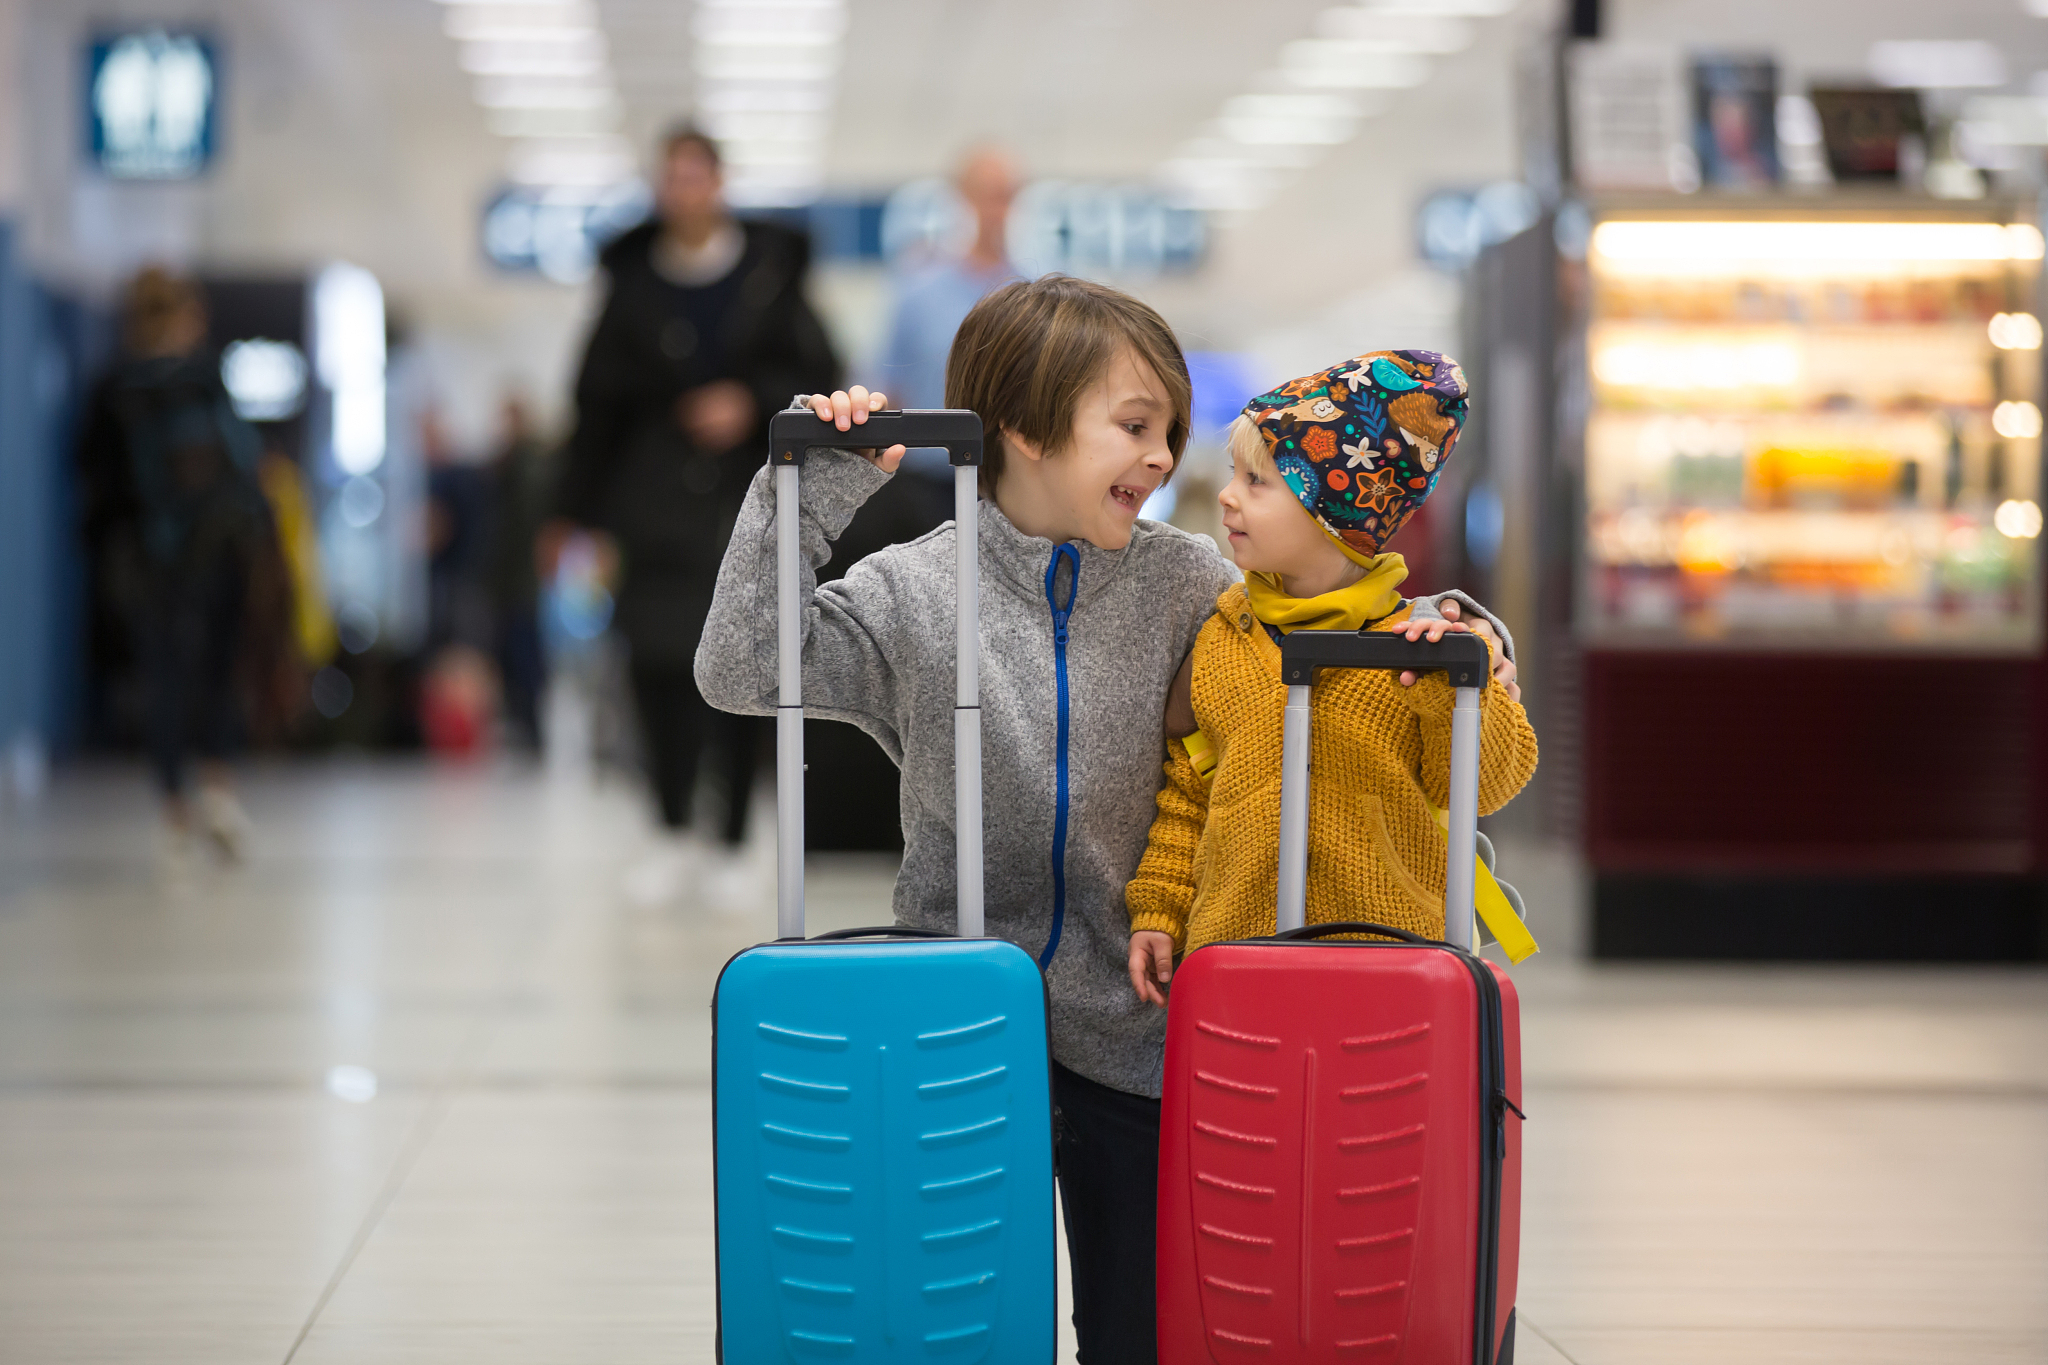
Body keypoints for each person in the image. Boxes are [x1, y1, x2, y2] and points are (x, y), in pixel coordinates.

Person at [695, 281, 1520, 1362]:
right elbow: (743, 665)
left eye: (1170, 432)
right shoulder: (912, 591)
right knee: (952, 1318)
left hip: (1144, 1030)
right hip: (957, 1012)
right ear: (1026, 430)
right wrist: (812, 490)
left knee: (1140, 1326)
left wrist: (1459, 631)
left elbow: (1327, 613)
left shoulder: (1196, 587)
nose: (1163, 458)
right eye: (1133, 427)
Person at [1125, 351, 1538, 1003]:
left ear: (1336, 517)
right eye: (1235, 474)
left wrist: (1460, 687)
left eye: (1258, 481)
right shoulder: (1224, 637)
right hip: (1236, 963)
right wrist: (1159, 909)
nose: (1228, 495)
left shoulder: (1418, 649)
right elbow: (1190, 796)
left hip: (1389, 968)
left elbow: (1486, 784)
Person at [551, 126, 840, 906]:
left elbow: (820, 370)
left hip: (748, 495)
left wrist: (749, 403)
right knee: (657, 665)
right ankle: (670, 828)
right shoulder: (630, 280)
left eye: (696, 176)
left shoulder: (771, 271)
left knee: (749, 659)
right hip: (651, 506)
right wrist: (569, 513)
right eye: (670, 177)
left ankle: (737, 837)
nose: (684, 192)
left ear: (719, 181)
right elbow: (592, 406)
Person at [74, 267, 269, 862]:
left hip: (146, 559)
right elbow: (244, 461)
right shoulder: (205, 379)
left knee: (161, 678)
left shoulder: (113, 388)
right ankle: (218, 788)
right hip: (215, 551)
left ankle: (174, 815)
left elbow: (92, 480)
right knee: (215, 670)